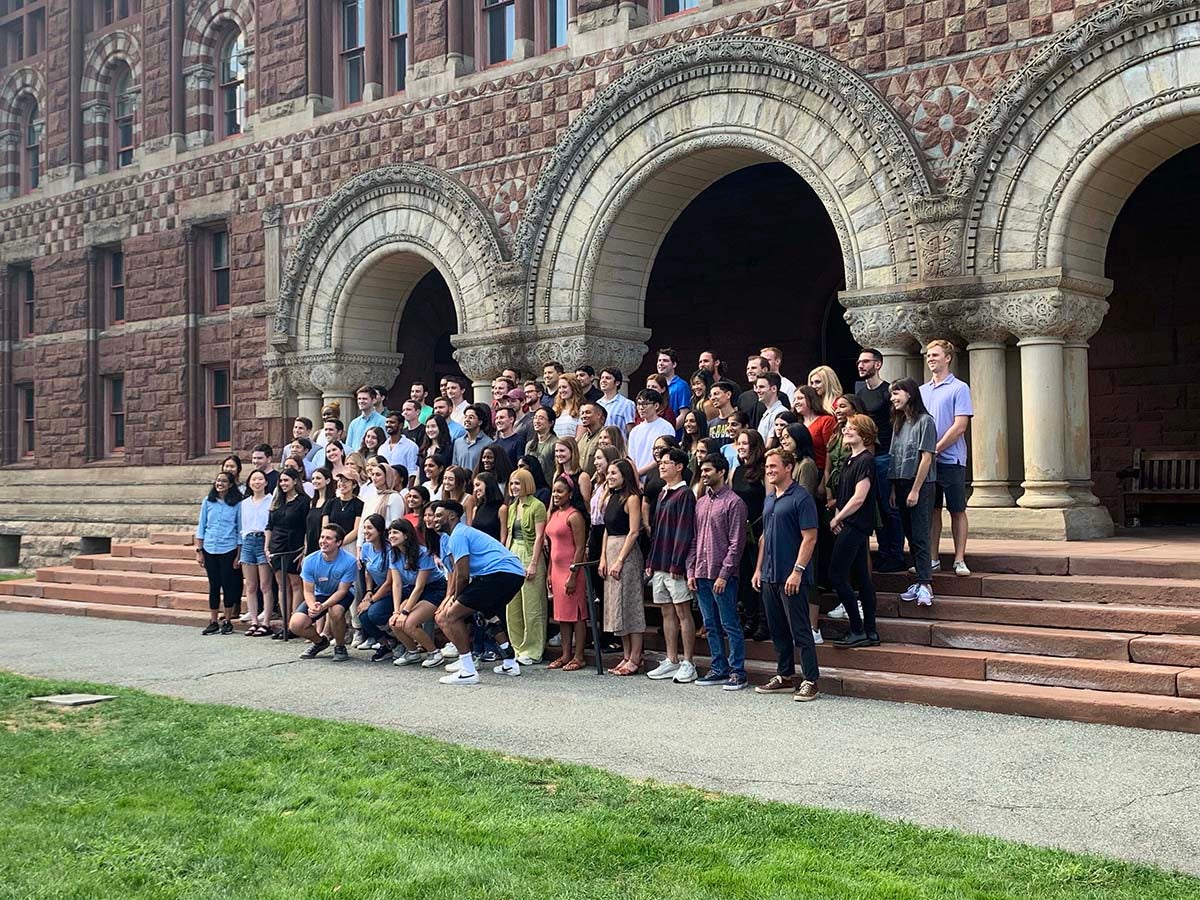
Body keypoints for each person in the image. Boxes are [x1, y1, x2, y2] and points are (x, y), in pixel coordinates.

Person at [432, 501, 527, 684]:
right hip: (512, 573)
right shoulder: (460, 533)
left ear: (452, 516)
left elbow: (462, 575)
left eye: (438, 515)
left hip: (500, 573)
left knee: (451, 616)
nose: (435, 519)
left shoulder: (458, 535)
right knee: (486, 615)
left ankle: (467, 670)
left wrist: (455, 598)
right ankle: (509, 662)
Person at [753, 448, 819, 702]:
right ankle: (785, 675)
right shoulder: (770, 498)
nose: (769, 471)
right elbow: (764, 537)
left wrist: (797, 571)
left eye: (773, 466)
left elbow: (810, 538)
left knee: (800, 630)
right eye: (767, 467)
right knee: (777, 629)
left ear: (788, 467)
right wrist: (758, 569)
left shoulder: (801, 498)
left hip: (792, 576)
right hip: (769, 575)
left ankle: (811, 680)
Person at [688, 452, 748, 690]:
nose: (703, 474)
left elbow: (737, 543)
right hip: (701, 572)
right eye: (702, 470)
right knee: (710, 624)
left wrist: (724, 574)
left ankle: (737, 671)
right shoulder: (700, 503)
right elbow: (694, 538)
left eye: (708, 470)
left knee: (729, 623)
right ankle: (718, 668)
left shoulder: (734, 502)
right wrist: (691, 569)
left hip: (722, 574)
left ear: (721, 472)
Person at [645, 447, 698, 685]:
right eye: (661, 462)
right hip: (659, 562)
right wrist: (651, 560)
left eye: (667, 462)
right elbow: (657, 531)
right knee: (666, 611)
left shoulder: (685, 494)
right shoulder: (663, 493)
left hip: (675, 565)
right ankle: (671, 659)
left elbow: (684, 531)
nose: (662, 465)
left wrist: (678, 563)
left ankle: (688, 661)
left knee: (682, 612)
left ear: (679, 466)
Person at [920, 339, 973, 576]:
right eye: (928, 355)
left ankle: (959, 558)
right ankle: (932, 558)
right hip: (928, 462)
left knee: (956, 508)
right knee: (932, 510)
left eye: (935, 355)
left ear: (948, 358)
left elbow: (960, 425)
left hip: (951, 459)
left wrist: (936, 448)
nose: (930, 359)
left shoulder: (959, 388)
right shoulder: (922, 391)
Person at [828, 414, 881, 648]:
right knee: (862, 577)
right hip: (851, 523)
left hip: (856, 524)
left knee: (837, 575)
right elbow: (846, 494)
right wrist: (839, 513)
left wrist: (838, 517)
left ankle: (858, 628)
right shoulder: (851, 459)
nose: (847, 430)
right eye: (846, 427)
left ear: (864, 434)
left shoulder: (866, 460)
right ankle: (870, 631)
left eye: (853, 428)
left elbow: (859, 498)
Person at [855, 348, 906, 572]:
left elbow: (898, 424)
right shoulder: (859, 393)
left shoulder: (888, 392)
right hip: (865, 457)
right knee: (874, 507)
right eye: (859, 362)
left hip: (885, 455)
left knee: (889, 507)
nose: (861, 365)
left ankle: (896, 554)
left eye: (866, 361)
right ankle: (883, 553)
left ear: (878, 364)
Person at [890, 377, 938, 607]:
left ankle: (925, 582)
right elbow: (893, 455)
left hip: (919, 483)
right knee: (909, 533)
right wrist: (892, 488)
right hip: (899, 482)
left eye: (896, 393)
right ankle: (919, 580)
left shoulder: (925, 421)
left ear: (909, 393)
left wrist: (916, 489)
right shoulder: (899, 422)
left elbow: (926, 457)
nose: (893, 398)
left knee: (920, 534)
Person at [600, 459, 645, 676]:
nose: (609, 477)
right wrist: (603, 558)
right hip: (610, 549)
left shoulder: (632, 498)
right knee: (617, 607)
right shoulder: (611, 497)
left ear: (624, 475)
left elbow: (634, 531)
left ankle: (636, 656)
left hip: (626, 552)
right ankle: (626, 655)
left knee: (630, 604)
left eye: (613, 473)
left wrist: (619, 559)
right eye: (608, 473)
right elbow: (606, 529)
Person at [385, 517, 449, 667]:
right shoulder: (393, 554)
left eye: (395, 533)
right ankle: (412, 652)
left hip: (435, 588)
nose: (391, 536)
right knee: (394, 622)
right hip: (415, 590)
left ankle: (434, 653)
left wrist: (405, 612)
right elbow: (397, 584)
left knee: (409, 623)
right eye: (389, 533)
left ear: (406, 535)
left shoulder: (423, 553)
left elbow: (420, 586)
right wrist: (396, 611)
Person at [289, 523, 357, 661]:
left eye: (328, 538)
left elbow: (342, 591)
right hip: (319, 593)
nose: (323, 541)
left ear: (338, 542)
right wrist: (313, 606)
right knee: (295, 624)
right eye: (322, 537)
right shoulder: (310, 560)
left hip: (342, 593)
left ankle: (340, 646)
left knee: (336, 611)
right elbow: (308, 591)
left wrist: (323, 607)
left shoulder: (350, 561)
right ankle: (320, 642)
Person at [503, 468, 548, 666]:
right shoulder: (512, 506)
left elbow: (539, 536)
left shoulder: (537, 506)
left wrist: (533, 563)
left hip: (529, 554)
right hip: (513, 553)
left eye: (517, 483)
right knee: (512, 605)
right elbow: (509, 534)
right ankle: (517, 647)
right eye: (512, 483)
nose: (513, 487)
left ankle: (533, 649)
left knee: (532, 605)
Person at [545, 476, 590, 670]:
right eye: (554, 491)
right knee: (562, 614)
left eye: (560, 491)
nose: (556, 495)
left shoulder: (574, 516)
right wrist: (548, 572)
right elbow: (552, 547)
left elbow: (580, 548)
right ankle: (565, 654)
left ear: (570, 494)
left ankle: (579, 656)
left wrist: (573, 573)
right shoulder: (554, 514)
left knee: (577, 614)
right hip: (555, 569)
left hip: (572, 569)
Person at [194, 471, 242, 635]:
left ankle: (227, 620)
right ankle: (213, 620)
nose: (219, 483)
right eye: (218, 480)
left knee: (227, 584)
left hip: (228, 548)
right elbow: (201, 526)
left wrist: (238, 553)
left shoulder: (237, 503)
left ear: (230, 484)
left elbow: (239, 528)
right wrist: (199, 551)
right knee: (214, 585)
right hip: (210, 547)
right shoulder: (208, 502)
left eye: (223, 481)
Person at [731, 429, 768, 641]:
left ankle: (764, 622)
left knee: (758, 576)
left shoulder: (763, 471)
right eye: (739, 443)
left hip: (758, 529)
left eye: (745, 443)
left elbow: (769, 500)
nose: (741, 446)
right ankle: (750, 618)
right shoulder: (736, 471)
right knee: (745, 577)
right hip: (739, 531)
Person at [265, 469, 310, 634]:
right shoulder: (277, 500)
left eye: (286, 480)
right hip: (276, 545)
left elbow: (307, 526)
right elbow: (269, 526)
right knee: (282, 585)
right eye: (281, 481)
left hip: (295, 545)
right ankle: (285, 624)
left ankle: (294, 623)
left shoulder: (304, 501)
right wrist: (266, 547)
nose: (283, 484)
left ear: (295, 481)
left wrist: (305, 548)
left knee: (296, 583)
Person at [356, 514, 398, 661]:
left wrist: (371, 601)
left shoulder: (390, 550)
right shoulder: (366, 548)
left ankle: (396, 638)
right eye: (364, 528)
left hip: (396, 590)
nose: (366, 531)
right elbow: (368, 572)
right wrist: (368, 592)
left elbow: (389, 582)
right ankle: (385, 645)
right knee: (362, 615)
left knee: (373, 612)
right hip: (378, 589)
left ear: (379, 531)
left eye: (370, 528)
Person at [239, 469, 275, 636]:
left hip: (263, 540)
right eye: (254, 479)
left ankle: (266, 621)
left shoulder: (271, 501)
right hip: (248, 541)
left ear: (266, 482)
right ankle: (254, 620)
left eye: (260, 479)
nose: (257, 482)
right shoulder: (244, 503)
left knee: (265, 585)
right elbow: (242, 526)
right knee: (251, 585)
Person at [628, 389, 674, 477]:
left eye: (645, 404)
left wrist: (639, 473)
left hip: (657, 477)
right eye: (639, 404)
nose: (641, 408)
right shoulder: (635, 431)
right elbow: (631, 459)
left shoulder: (666, 427)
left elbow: (665, 455)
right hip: (636, 479)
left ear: (656, 405)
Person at [793, 386, 838, 473]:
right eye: (794, 399)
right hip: (798, 470)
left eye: (800, 398)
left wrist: (826, 475)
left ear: (811, 399)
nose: (796, 402)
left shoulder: (826, 421)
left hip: (819, 470)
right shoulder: (795, 423)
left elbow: (830, 451)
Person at [324, 471, 364, 551]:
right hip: (330, 543)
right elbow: (325, 526)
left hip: (349, 544)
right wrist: (331, 541)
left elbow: (356, 530)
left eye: (346, 481)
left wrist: (339, 543)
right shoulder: (331, 502)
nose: (342, 483)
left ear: (354, 485)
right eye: (340, 480)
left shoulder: (359, 504)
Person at [452, 403, 495, 471]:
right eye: (465, 417)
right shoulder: (458, 442)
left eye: (471, 417)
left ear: (480, 422)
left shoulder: (488, 443)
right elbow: (455, 466)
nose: (467, 420)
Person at [551, 435, 592, 506]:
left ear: (572, 451)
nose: (558, 454)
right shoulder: (557, 474)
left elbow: (586, 505)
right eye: (556, 451)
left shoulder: (583, 477)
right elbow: (551, 504)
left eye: (562, 451)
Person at [346, 385, 386, 453]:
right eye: (359, 399)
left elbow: (384, 445)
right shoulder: (354, 423)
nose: (361, 401)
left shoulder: (382, 421)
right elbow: (348, 447)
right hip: (355, 461)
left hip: (373, 460)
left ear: (373, 400)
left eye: (364, 399)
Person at [470, 472, 508, 541]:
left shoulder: (501, 509)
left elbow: (503, 538)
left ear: (488, 484)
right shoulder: (476, 509)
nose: (475, 489)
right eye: (474, 486)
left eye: (478, 485)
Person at [304, 467, 334, 554]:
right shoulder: (312, 502)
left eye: (318, 478)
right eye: (313, 478)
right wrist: (305, 546)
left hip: (323, 545)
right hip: (310, 545)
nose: (314, 481)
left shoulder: (332, 501)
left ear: (327, 481)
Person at [597, 367, 636, 433]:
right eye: (602, 378)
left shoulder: (627, 404)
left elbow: (631, 431)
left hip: (618, 442)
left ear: (617, 382)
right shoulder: (597, 404)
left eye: (607, 378)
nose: (603, 380)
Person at [656, 348, 692, 414]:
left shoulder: (681, 385)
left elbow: (684, 413)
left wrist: (670, 425)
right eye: (659, 360)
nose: (661, 363)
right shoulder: (654, 385)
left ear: (674, 364)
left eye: (665, 360)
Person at [525, 405, 558, 477]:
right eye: (535, 418)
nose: (537, 421)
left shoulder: (555, 444)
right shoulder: (529, 445)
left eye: (541, 418)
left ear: (551, 423)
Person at [575, 401, 606, 477]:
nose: (584, 416)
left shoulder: (605, 436)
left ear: (599, 415)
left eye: (588, 412)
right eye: (582, 413)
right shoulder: (581, 439)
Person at [754, 372, 786, 443]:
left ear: (774, 388)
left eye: (761, 387)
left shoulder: (780, 413)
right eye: (757, 387)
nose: (757, 391)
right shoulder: (767, 413)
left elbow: (770, 445)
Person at [706, 380, 738, 449]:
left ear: (728, 394)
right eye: (710, 396)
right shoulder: (710, 424)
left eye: (716, 394)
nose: (713, 398)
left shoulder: (740, 419)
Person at [552, 373, 585, 438]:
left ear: (573, 387)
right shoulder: (555, 409)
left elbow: (580, 438)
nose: (561, 390)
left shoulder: (582, 409)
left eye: (564, 387)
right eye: (559, 388)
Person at [739, 356, 768, 427]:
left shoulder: (777, 396)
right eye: (748, 368)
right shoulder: (743, 398)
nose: (749, 371)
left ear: (764, 370)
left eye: (754, 368)